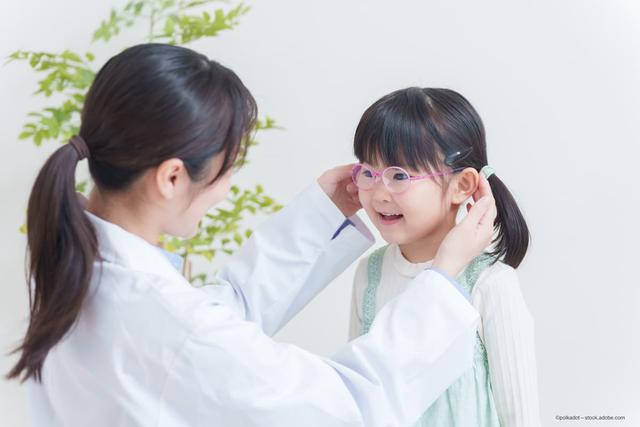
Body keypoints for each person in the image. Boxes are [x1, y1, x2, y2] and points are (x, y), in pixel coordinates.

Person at [7, 44, 497, 427]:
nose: (224, 191)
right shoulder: (164, 318)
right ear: (173, 177)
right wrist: (443, 280)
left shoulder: (79, 271)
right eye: (225, 171)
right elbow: (345, 405)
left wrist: (316, 218)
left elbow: (223, 312)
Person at [348, 87, 541, 426]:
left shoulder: (489, 283)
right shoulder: (370, 273)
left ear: (462, 186)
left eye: (399, 176)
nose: (379, 193)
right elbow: (355, 393)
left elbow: (520, 416)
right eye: (368, 171)